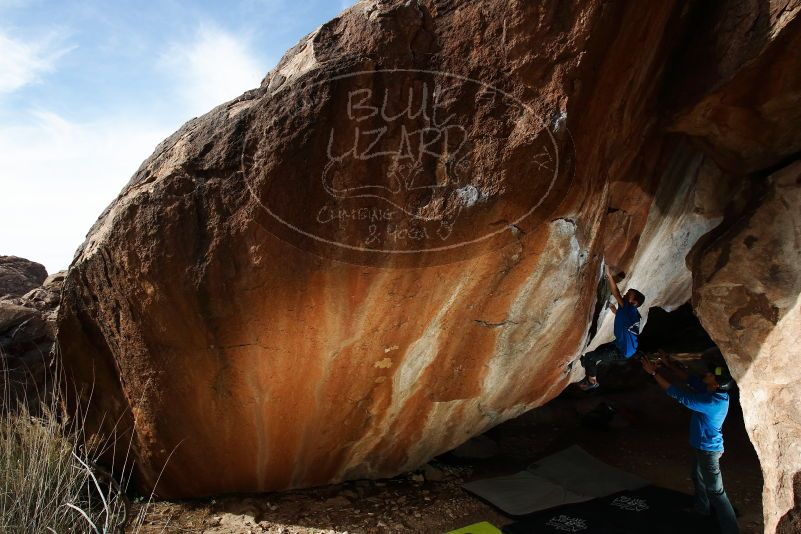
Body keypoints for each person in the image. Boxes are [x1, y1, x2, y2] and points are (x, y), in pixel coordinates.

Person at [642, 354, 739, 534]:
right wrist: (667, 365)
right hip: (701, 447)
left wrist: (654, 373)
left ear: (715, 383)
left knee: (717, 493)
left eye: (712, 375)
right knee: (697, 476)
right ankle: (702, 509)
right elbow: (690, 379)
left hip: (708, 451)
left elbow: (680, 395)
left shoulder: (711, 402)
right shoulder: (713, 390)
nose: (708, 374)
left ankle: (731, 530)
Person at [578, 264, 645, 390]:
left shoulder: (630, 309)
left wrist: (608, 275)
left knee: (591, 357)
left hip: (622, 351)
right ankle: (588, 366)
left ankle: (593, 382)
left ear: (634, 303)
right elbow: (625, 322)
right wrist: (614, 310)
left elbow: (616, 294)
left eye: (629, 295)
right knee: (595, 354)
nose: (625, 295)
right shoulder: (631, 312)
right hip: (622, 346)